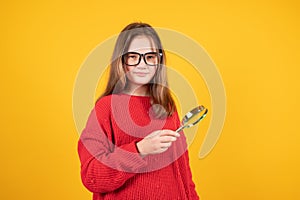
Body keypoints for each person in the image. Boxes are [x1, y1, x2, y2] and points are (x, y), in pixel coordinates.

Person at [78, 22, 200, 200]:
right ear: (121, 60)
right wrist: (140, 149)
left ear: (159, 60)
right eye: (133, 56)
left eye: (150, 57)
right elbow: (92, 176)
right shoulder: (105, 108)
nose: (142, 64)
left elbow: (184, 174)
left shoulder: (168, 107)